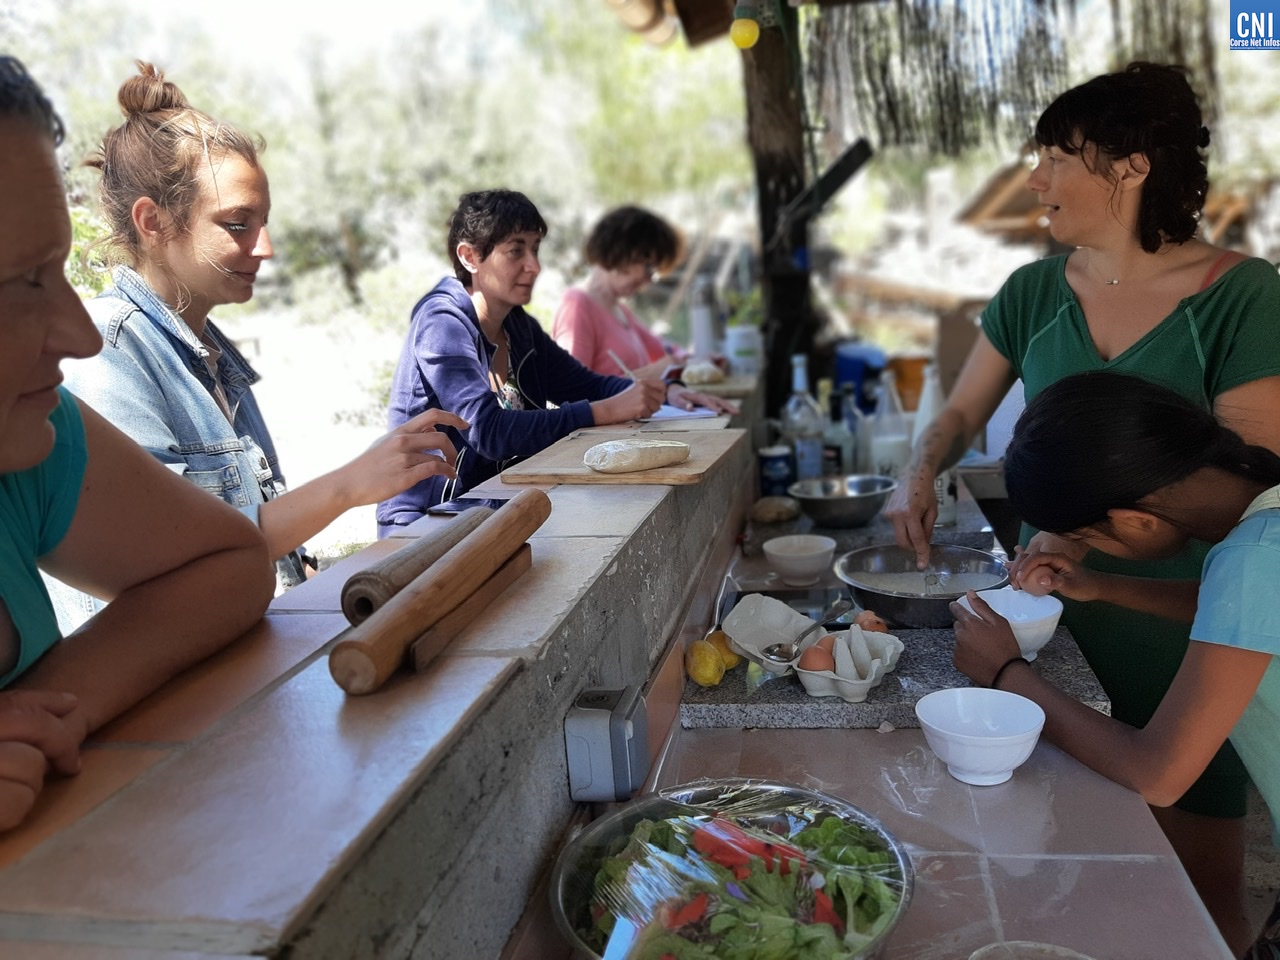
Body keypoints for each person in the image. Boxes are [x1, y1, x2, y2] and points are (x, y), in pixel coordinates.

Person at [885, 61, 1280, 947]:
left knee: (1190, 885)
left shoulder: (1241, 297)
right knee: (1061, 868)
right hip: (1057, 609)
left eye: (1057, 156)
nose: (1036, 180)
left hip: (1196, 635)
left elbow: (1248, 477)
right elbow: (957, 413)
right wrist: (920, 470)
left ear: (1131, 166)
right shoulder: (1033, 293)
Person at [49, 62, 465, 624]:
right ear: (153, 222)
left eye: (264, 221)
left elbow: (253, 540)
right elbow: (169, 566)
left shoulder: (212, 359)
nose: (265, 246)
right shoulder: (108, 350)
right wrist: (350, 484)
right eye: (238, 223)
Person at [0, 57, 274, 831]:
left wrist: (44, 715)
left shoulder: (30, 434)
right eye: (22, 283)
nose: (80, 335)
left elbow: (230, 563)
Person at [951, 370, 1280, 958]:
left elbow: (1159, 773)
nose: (1094, 547)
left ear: (1136, 519)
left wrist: (1007, 674)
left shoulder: (1254, 557)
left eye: (1090, 538)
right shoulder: (1266, 517)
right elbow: (1247, 620)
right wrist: (1099, 584)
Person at [377, 189, 733, 532]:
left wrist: (665, 393)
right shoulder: (441, 323)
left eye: (535, 249)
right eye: (516, 251)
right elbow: (488, 432)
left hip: (492, 506)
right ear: (470, 257)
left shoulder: (519, 326)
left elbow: (586, 384)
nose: (534, 266)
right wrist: (602, 411)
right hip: (423, 522)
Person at [552, 204, 687, 380]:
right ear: (622, 254)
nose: (650, 279)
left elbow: (664, 351)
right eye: (649, 268)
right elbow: (571, 389)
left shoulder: (620, 311)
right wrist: (651, 374)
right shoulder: (577, 305)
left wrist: (693, 361)